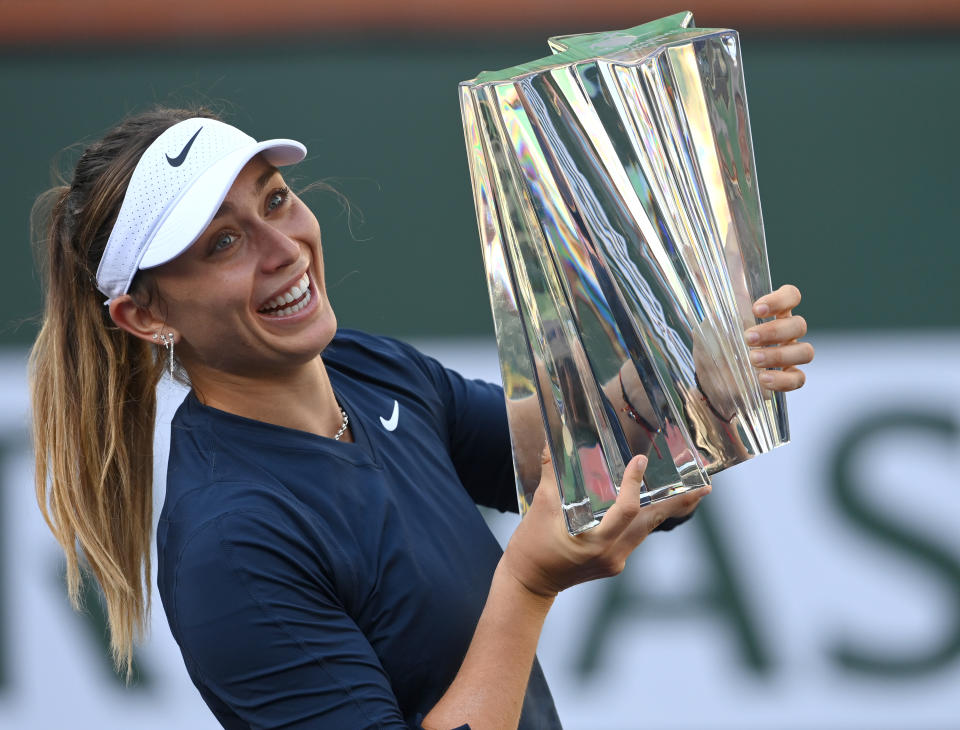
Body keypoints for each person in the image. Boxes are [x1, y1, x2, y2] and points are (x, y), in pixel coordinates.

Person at [29, 107, 814, 730]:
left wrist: (690, 380)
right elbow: (539, 540)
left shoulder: (365, 368)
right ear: (144, 317)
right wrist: (528, 584)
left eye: (276, 199)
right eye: (225, 243)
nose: (284, 248)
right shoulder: (231, 545)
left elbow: (560, 456)